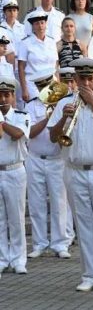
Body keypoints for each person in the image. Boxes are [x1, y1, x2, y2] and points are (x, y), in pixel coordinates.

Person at [48, 57, 93, 292]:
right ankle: (90, 274)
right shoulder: (64, 103)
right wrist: (64, 117)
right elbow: (53, 137)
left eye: (90, 78)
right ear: (75, 79)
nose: (86, 83)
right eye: (82, 78)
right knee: (84, 224)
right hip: (74, 171)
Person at [25, 69, 73, 259]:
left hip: (57, 159)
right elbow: (30, 132)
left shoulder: (64, 103)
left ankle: (60, 244)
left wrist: (58, 114)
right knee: (36, 203)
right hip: (35, 158)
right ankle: (39, 244)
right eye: (42, 88)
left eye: (48, 86)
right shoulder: (31, 106)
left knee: (59, 203)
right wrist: (48, 118)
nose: (46, 91)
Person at [0, 76, 30, 277]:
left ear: (13, 97)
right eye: (0, 95)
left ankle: (19, 259)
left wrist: (1, 121)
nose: (3, 99)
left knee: (16, 218)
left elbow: (18, 134)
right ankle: (2, 258)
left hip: (14, 170)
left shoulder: (21, 115)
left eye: (7, 95)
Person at [16, 11, 58, 108]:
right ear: (33, 26)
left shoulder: (51, 41)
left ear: (46, 24)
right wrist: (24, 89)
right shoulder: (25, 43)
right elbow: (21, 67)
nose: (40, 26)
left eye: (42, 23)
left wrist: (58, 83)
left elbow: (56, 65)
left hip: (51, 84)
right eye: (37, 23)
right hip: (33, 86)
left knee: (53, 112)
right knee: (36, 112)